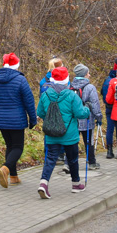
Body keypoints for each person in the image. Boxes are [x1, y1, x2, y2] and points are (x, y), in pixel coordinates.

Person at [0, 52, 37, 189]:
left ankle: (13, 177)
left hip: (1, 120)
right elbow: (29, 101)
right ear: (16, 65)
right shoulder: (20, 80)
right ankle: (6, 169)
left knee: (10, 146)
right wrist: (33, 119)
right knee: (18, 147)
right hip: (17, 119)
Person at [36, 66, 91, 197]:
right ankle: (76, 184)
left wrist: (51, 119)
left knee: (50, 159)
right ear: (67, 80)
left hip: (51, 134)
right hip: (69, 135)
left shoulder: (46, 95)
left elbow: (40, 113)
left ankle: (43, 183)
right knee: (72, 159)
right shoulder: (71, 95)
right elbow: (80, 113)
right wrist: (87, 109)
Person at [70, 64, 103, 170]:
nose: (89, 75)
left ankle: (69, 162)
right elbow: (95, 104)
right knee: (88, 141)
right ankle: (91, 162)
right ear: (84, 74)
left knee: (71, 141)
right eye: (88, 73)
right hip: (86, 119)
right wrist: (99, 116)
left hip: (73, 119)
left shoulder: (70, 86)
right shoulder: (90, 87)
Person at [101, 58, 117, 159]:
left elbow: (101, 92)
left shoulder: (107, 80)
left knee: (110, 129)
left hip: (108, 107)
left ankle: (109, 151)